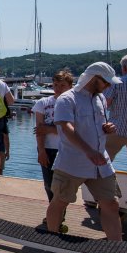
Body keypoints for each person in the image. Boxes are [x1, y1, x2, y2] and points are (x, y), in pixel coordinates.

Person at [44, 62, 123, 241]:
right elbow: (66, 127)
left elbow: (95, 124)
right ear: (94, 79)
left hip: (100, 163)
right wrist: (88, 151)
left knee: (111, 203)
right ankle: (52, 241)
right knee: (60, 201)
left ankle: (117, 250)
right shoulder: (67, 99)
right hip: (72, 162)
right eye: (106, 82)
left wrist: (106, 127)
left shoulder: (100, 98)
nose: (108, 86)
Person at [32, 70, 74, 201]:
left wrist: (49, 129)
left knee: (63, 184)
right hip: (48, 148)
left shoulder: (74, 104)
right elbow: (39, 130)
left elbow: (74, 130)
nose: (58, 88)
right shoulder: (43, 103)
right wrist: (41, 150)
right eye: (55, 85)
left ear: (69, 87)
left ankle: (59, 214)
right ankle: (54, 212)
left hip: (67, 148)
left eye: (62, 86)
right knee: (49, 184)